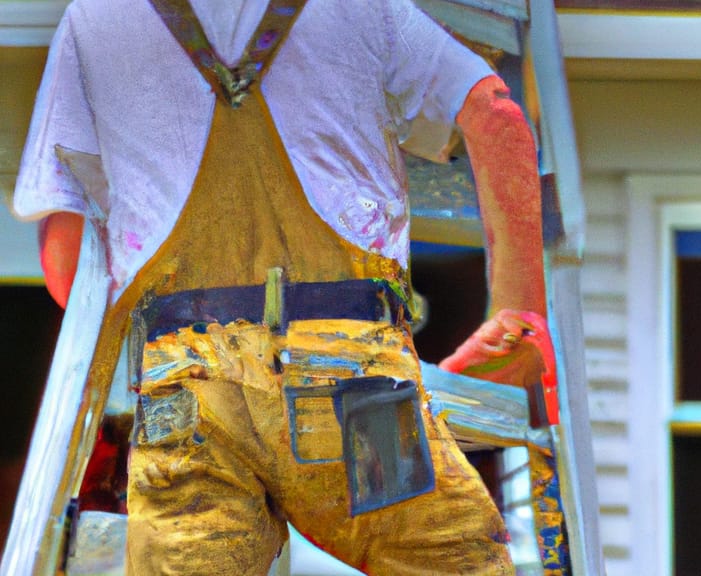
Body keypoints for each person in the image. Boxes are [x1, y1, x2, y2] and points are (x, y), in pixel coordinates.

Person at [13, 0, 550, 573]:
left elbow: (68, 268)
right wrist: (518, 313)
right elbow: (497, 116)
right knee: (454, 562)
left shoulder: (94, 19)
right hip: (351, 384)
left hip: (186, 398)